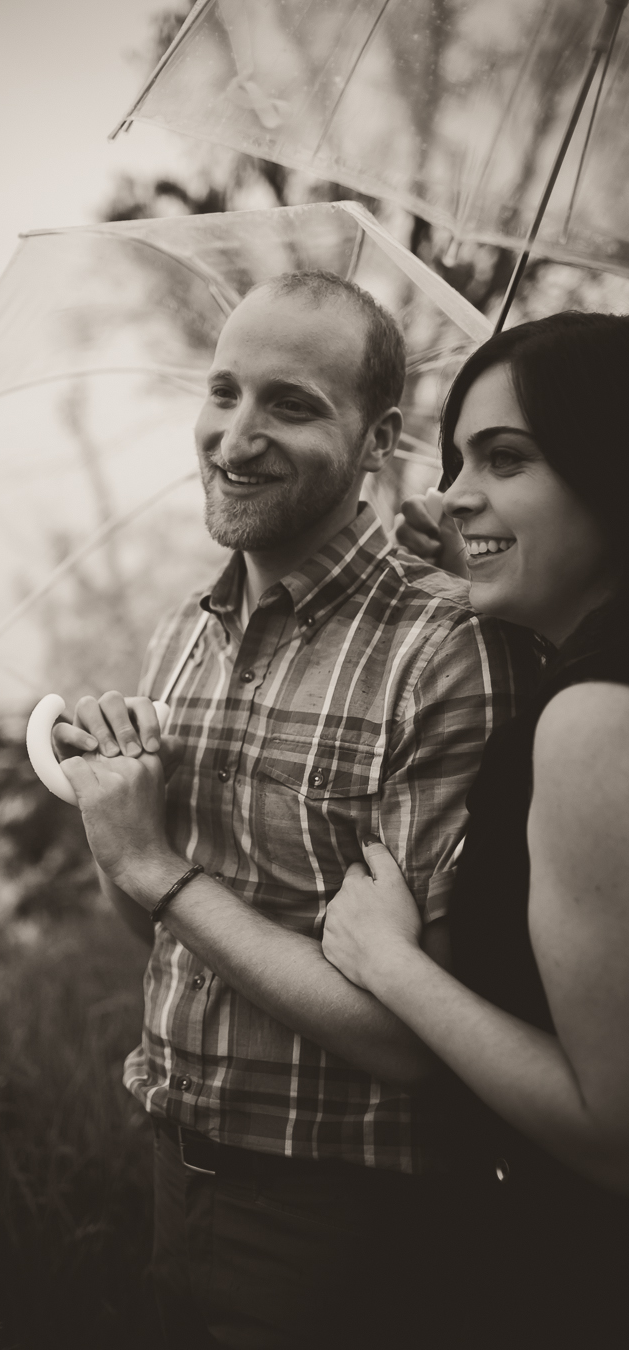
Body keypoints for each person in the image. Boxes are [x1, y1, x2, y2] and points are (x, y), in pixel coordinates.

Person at [54, 270, 530, 1347]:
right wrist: (118, 825)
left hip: (348, 1221)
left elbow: (418, 1036)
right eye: (223, 392)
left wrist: (155, 868)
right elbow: (163, 933)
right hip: (178, 1174)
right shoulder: (186, 630)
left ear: (379, 439)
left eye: (291, 404)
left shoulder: (448, 652)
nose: (235, 435)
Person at [321, 311, 629, 1347]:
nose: (453, 492)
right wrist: (486, 550)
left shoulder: (595, 721)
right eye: (456, 459)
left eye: (506, 456)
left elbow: (613, 1134)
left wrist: (388, 963)